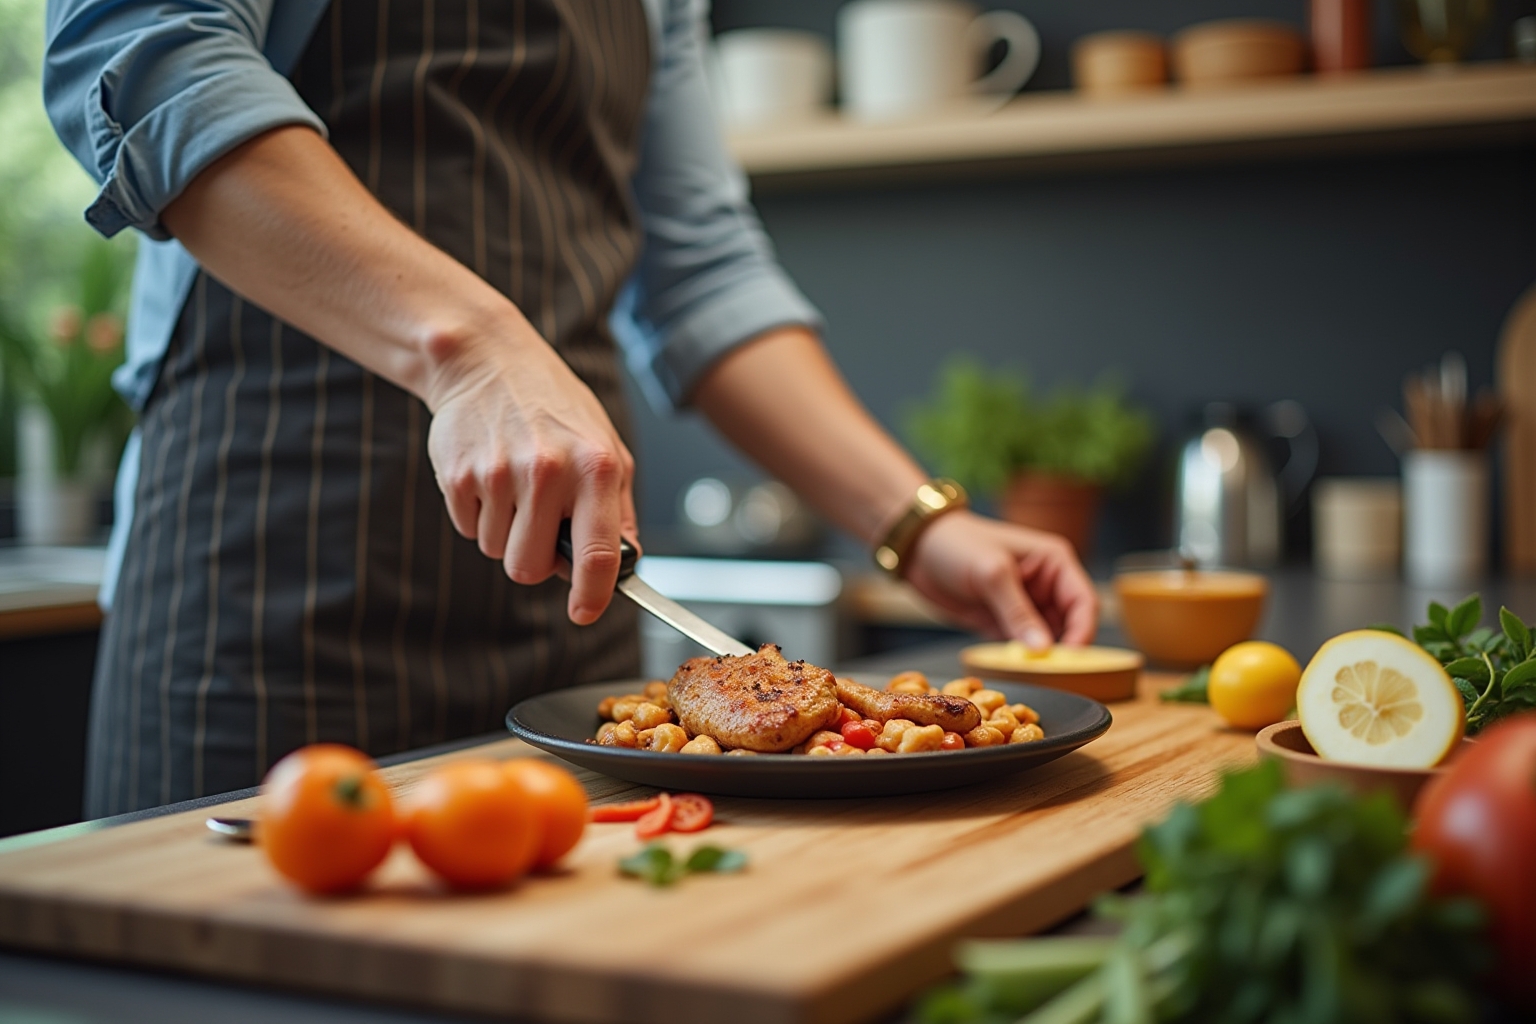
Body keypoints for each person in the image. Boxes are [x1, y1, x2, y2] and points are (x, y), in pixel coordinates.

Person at [43, 0, 1097, 818]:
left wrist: (918, 522)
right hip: (263, 600)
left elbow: (699, 272)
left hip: (571, 614)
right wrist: (469, 349)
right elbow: (149, 56)